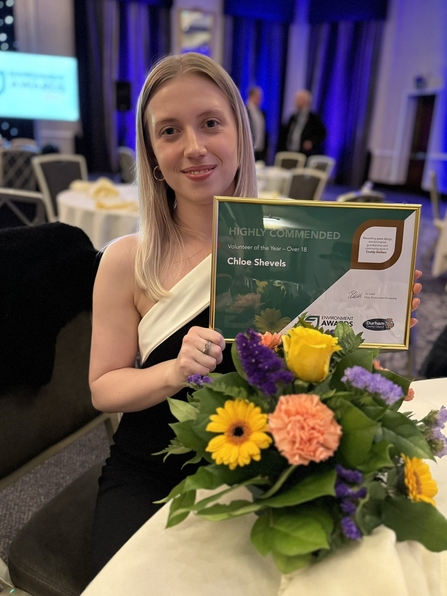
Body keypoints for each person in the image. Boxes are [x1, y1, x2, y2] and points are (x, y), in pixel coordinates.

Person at [89, 52, 422, 573]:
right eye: (170, 131)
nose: (194, 147)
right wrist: (176, 370)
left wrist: (376, 319)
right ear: (151, 151)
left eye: (211, 123)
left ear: (240, 136)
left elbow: (324, 373)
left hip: (267, 469)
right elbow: (103, 386)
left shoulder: (297, 244)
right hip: (150, 470)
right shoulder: (126, 260)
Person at [277, 89, 326, 157]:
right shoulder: (293, 117)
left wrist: (311, 142)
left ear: (306, 101)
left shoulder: (313, 118)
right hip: (289, 152)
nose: (295, 102)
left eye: (298, 99)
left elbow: (322, 133)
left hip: (304, 153)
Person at [246, 85, 268, 162]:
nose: (260, 99)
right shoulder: (245, 110)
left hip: (260, 148)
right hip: (249, 147)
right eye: (258, 96)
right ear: (251, 96)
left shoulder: (262, 112)